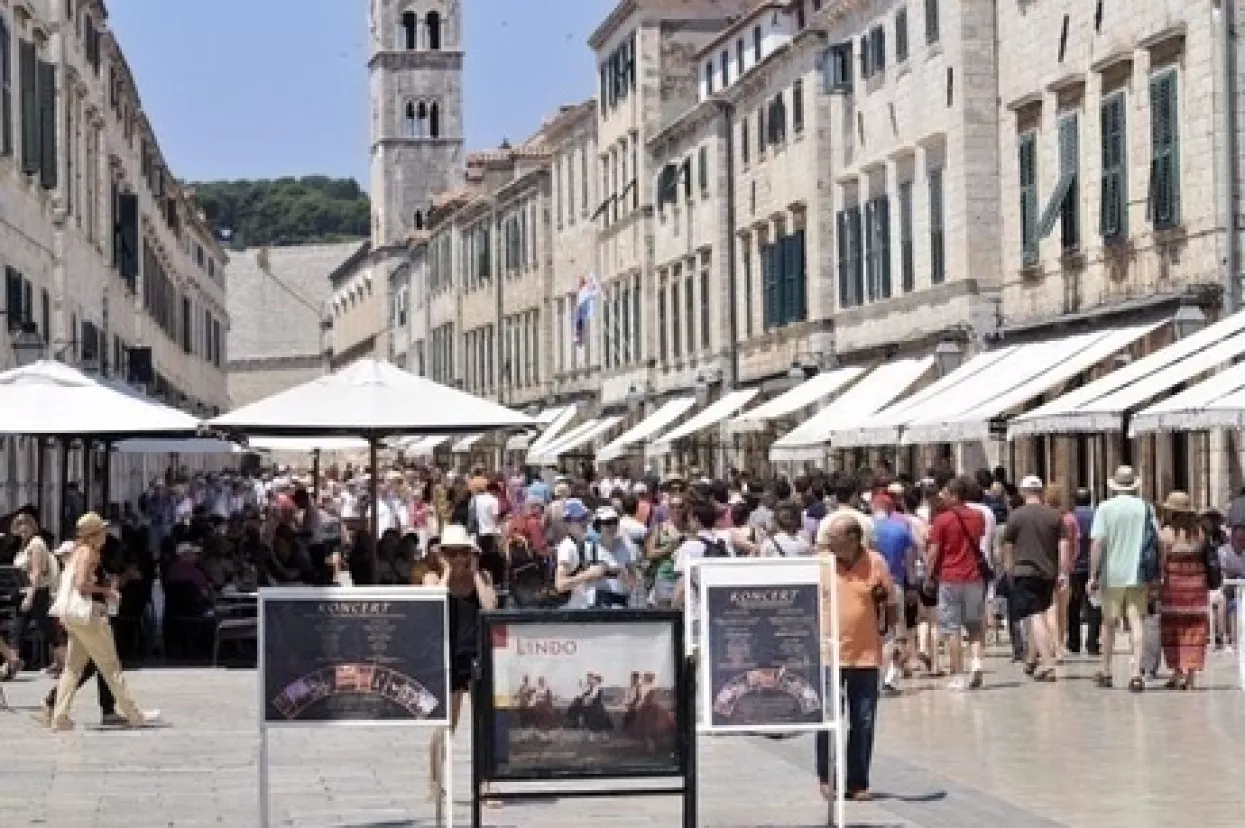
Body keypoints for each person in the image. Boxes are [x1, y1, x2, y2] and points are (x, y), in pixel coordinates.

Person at [47, 513, 158, 730]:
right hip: (89, 617)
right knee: (110, 666)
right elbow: (81, 585)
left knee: (72, 668)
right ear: (94, 534)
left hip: (73, 617)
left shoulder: (77, 552)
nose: (106, 534)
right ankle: (134, 714)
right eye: (103, 530)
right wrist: (108, 591)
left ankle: (60, 716)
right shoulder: (88, 553)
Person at [815, 514, 896, 802]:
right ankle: (826, 777)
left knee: (863, 721)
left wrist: (892, 639)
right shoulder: (822, 563)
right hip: (827, 654)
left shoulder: (876, 563)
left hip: (865, 654)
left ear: (852, 539)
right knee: (827, 719)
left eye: (834, 539)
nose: (828, 543)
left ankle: (858, 781)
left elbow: (890, 604)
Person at [421, 525, 497, 801]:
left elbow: (490, 608)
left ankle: (487, 784)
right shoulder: (432, 578)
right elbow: (432, 605)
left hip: (476, 654)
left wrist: (475, 573)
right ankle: (434, 781)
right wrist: (448, 573)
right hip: (448, 655)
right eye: (450, 553)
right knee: (445, 723)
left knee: (483, 723)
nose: (456, 559)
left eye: (461, 553)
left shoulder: (482, 577)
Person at [1088, 466, 1156, 692]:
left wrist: (1093, 574)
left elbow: (1098, 542)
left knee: (1109, 624)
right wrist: (1159, 572)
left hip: (1112, 574)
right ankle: (1136, 673)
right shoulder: (1146, 508)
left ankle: (1106, 670)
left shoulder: (1105, 508)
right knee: (1137, 622)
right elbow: (1156, 541)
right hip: (1138, 573)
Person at [1000, 476, 1069, 682]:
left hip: (1024, 571)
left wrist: (1008, 568)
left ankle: (1047, 664)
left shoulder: (1016, 516)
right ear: (1041, 492)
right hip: (1048, 572)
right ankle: (1031, 660)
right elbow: (1063, 546)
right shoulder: (1055, 516)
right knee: (1038, 611)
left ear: (1022, 492)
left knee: (1035, 615)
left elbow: (1007, 546)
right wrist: (1063, 572)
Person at [926, 476, 988, 690]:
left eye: (945, 493)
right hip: (974, 578)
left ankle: (958, 675)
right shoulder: (979, 516)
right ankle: (977, 663)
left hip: (950, 577)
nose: (942, 497)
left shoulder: (942, 520)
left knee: (952, 629)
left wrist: (928, 575)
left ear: (954, 495)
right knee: (974, 626)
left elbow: (934, 552)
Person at [1157, 492, 1212, 690]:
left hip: (1174, 587)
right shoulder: (1200, 533)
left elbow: (1161, 563)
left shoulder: (1167, 534)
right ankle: (1190, 676)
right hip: (1197, 585)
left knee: (1173, 629)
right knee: (1195, 629)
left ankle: (1177, 672)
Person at [4, 512, 56, 680]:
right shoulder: (23, 545)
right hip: (23, 592)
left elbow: (36, 571)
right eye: (19, 524)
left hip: (35, 592)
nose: (22, 527)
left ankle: (65, 661)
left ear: (32, 525)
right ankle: (12, 663)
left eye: (25, 524)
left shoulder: (36, 544)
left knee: (47, 628)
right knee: (16, 629)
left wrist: (30, 596)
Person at [554, 500, 619, 609]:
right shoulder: (567, 547)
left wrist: (605, 569)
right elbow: (560, 585)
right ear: (568, 523)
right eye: (579, 519)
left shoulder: (583, 543)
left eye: (585, 518)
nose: (584, 522)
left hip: (583, 609)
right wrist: (589, 574)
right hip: (572, 613)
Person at [1067, 488, 1102, 656]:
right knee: (1094, 605)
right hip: (1093, 566)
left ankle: (1074, 642)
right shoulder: (1096, 515)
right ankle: (1092, 643)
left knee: (1073, 605)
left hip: (1074, 566)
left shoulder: (1070, 517)